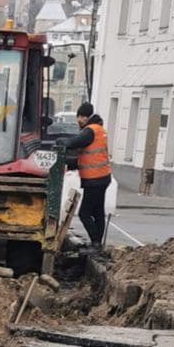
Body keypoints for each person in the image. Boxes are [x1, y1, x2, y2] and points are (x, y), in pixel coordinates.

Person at [60, 102, 112, 248]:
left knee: (85, 213)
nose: (78, 121)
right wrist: (73, 164)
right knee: (98, 212)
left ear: (84, 116)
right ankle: (97, 243)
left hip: (94, 179)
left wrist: (61, 142)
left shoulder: (90, 131)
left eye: (79, 117)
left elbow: (75, 142)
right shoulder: (99, 129)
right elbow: (90, 155)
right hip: (102, 177)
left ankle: (95, 242)